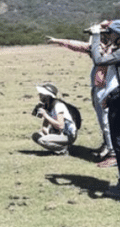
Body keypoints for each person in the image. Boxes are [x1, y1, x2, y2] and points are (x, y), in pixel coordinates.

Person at [46, 34, 116, 167]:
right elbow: (78, 45)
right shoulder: (102, 52)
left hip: (111, 91)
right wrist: (58, 40)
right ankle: (108, 145)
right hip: (99, 89)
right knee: (103, 123)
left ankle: (114, 153)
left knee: (109, 123)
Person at [89, 20, 120, 197]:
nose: (107, 36)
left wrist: (95, 37)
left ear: (118, 34)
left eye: (109, 33)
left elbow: (98, 59)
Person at [31, 83, 77, 155]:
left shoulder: (58, 106)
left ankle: (63, 150)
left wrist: (45, 115)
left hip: (68, 135)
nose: (39, 95)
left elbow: (61, 126)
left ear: (48, 96)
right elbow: (44, 126)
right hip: (58, 133)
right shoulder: (49, 106)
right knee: (36, 136)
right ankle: (58, 146)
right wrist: (46, 131)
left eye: (42, 94)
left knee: (42, 140)